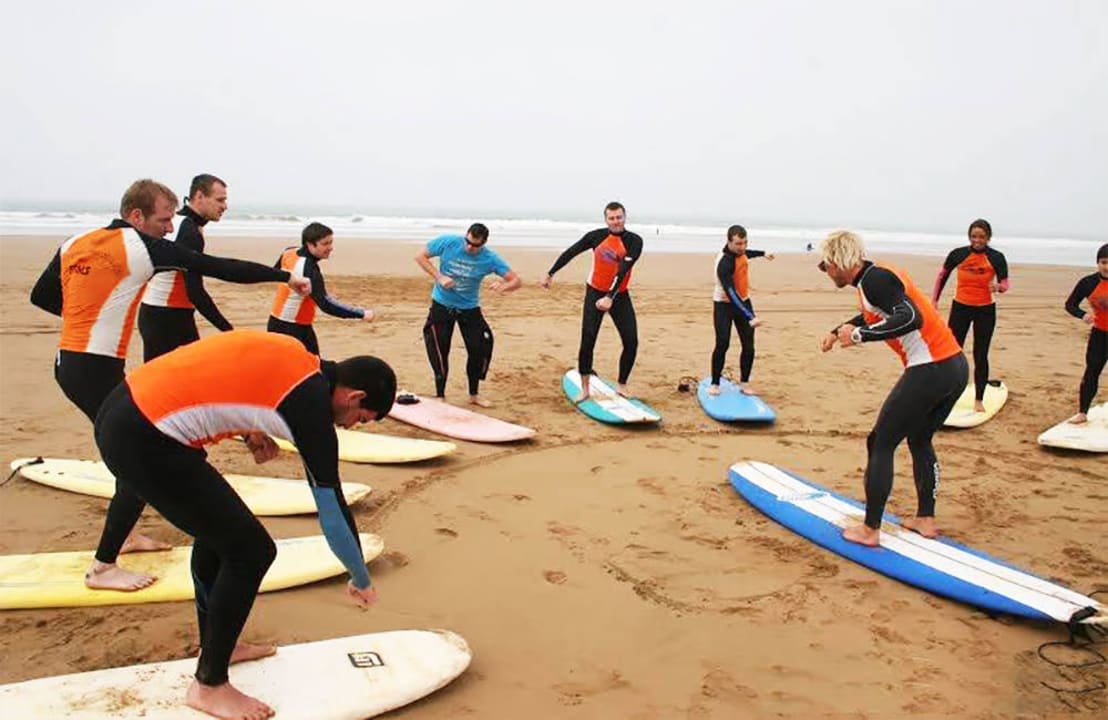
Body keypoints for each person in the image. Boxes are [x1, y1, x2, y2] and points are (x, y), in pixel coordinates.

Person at [92, 329, 395, 720]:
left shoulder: (298, 356)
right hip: (145, 436)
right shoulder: (311, 411)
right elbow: (331, 507)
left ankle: (219, 647)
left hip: (124, 408)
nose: (352, 425)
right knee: (252, 551)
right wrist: (360, 577)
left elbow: (230, 370)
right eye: (361, 418)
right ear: (354, 396)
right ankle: (209, 686)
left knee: (220, 536)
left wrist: (250, 428)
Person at [29, 179, 310, 592]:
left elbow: (42, 296)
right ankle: (103, 567)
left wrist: (92, 316)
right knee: (139, 460)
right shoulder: (143, 247)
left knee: (133, 456)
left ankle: (125, 537)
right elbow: (220, 268)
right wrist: (284, 276)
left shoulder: (75, 242)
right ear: (136, 216)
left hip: (70, 363)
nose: (168, 227)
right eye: (162, 220)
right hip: (94, 371)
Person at [817, 230, 967, 547]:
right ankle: (925, 519)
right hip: (954, 367)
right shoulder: (875, 277)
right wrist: (837, 331)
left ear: (837, 261)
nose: (824, 271)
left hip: (930, 367)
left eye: (824, 265)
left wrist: (859, 336)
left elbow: (910, 317)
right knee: (920, 438)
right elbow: (875, 313)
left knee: (881, 442)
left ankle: (870, 530)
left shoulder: (875, 280)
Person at [540, 201, 643, 401]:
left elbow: (623, 271)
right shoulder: (596, 236)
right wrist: (550, 273)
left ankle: (622, 385)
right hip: (595, 292)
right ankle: (585, 388)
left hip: (619, 295)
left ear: (624, 217)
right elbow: (571, 252)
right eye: (611, 218)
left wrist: (610, 296)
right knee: (588, 339)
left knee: (631, 341)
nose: (616, 221)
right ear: (606, 219)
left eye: (619, 217)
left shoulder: (634, 241)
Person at [415, 222, 521, 406]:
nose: (470, 247)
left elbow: (516, 281)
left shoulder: (489, 258)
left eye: (475, 245)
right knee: (439, 349)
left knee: (480, 346)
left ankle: (474, 395)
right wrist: (440, 277)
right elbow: (420, 256)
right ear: (466, 236)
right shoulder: (449, 242)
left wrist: (503, 286)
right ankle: (440, 395)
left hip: (469, 308)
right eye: (468, 242)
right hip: (442, 305)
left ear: (483, 243)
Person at [138, 173, 234, 361]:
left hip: (156, 312)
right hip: (168, 317)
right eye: (220, 200)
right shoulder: (188, 231)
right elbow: (195, 290)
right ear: (199, 196)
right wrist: (227, 329)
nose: (225, 206)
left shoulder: (177, 221)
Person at [931, 219, 1009, 413]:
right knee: (952, 352)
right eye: (974, 236)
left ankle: (979, 399)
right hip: (960, 308)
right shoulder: (958, 254)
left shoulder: (996, 257)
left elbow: (1005, 283)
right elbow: (942, 276)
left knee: (980, 354)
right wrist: (934, 301)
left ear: (988, 238)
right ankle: (947, 394)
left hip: (985, 310)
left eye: (981, 237)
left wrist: (998, 287)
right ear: (969, 237)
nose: (977, 240)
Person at [268, 222, 373, 355]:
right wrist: (361, 313)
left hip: (277, 322)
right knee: (311, 365)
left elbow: (276, 274)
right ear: (310, 244)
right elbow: (326, 305)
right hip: (293, 329)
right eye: (325, 244)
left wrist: (298, 290)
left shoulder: (289, 252)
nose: (330, 248)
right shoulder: (310, 270)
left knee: (311, 364)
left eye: (331, 242)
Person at [708, 224, 775, 396]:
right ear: (729, 242)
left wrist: (763, 253)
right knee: (722, 343)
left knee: (749, 345)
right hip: (724, 304)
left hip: (743, 300)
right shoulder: (724, 263)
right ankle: (715, 383)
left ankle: (744, 383)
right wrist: (750, 315)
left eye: (745, 242)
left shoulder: (741, 252)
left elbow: (746, 254)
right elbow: (731, 293)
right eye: (738, 243)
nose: (742, 247)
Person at [1062, 243, 1108, 424]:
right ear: (1098, 263)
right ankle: (1082, 412)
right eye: (1103, 262)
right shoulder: (1088, 283)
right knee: (1091, 372)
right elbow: (1070, 305)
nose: (1107, 267)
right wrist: (1083, 315)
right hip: (1100, 335)